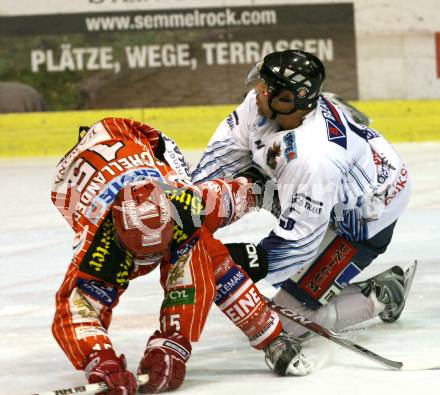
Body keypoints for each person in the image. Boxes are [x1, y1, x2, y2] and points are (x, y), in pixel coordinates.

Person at [50, 117, 311, 395]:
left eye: (161, 250)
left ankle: (272, 337)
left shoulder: (185, 203)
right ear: (117, 233)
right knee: (200, 251)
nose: (158, 260)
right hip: (74, 181)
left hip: (138, 139)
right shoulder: (96, 242)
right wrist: (102, 363)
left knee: (208, 256)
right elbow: (76, 311)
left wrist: (257, 190)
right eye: (144, 254)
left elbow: (227, 197)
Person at [192, 49, 415, 344]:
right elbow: (223, 157)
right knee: (254, 177)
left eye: (267, 87)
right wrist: (190, 204)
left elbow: (299, 242)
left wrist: (245, 262)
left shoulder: (314, 160)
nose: (257, 91)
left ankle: (384, 294)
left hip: (364, 216)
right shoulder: (260, 105)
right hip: (330, 179)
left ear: (287, 100)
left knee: (283, 324)